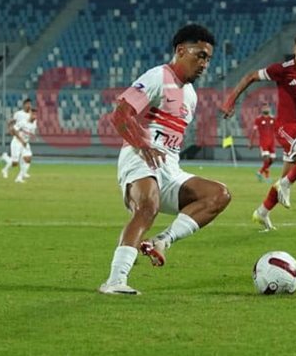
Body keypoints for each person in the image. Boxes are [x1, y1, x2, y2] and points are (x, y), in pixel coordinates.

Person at [99, 23, 231, 295]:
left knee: (219, 194)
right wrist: (142, 142)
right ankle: (115, 280)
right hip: (138, 157)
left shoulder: (191, 95)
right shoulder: (158, 76)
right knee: (147, 206)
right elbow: (120, 114)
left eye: (208, 58)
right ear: (181, 50)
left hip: (169, 166)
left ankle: (163, 240)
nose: (205, 63)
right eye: (200, 55)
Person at [221, 30, 296, 230]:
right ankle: (285, 184)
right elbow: (250, 76)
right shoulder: (282, 70)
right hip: (284, 127)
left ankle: (262, 212)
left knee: (285, 178)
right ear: (295, 50)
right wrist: (231, 100)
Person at [0, 97, 37, 182]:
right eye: (27, 104)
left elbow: (31, 131)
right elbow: (12, 124)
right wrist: (10, 130)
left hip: (25, 141)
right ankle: (5, 158)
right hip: (18, 140)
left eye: (30, 104)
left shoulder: (34, 121)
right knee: (15, 163)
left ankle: (20, 177)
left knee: (28, 158)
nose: (29, 105)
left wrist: (31, 136)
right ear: (24, 105)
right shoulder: (19, 115)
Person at [249, 104, 277, 181]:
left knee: (272, 160)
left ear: (269, 109)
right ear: (262, 109)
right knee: (267, 160)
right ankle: (267, 177)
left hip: (272, 143)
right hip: (263, 143)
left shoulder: (273, 119)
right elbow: (254, 131)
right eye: (264, 107)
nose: (266, 109)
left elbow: (277, 130)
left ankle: (260, 172)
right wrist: (251, 142)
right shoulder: (258, 120)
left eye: (267, 107)